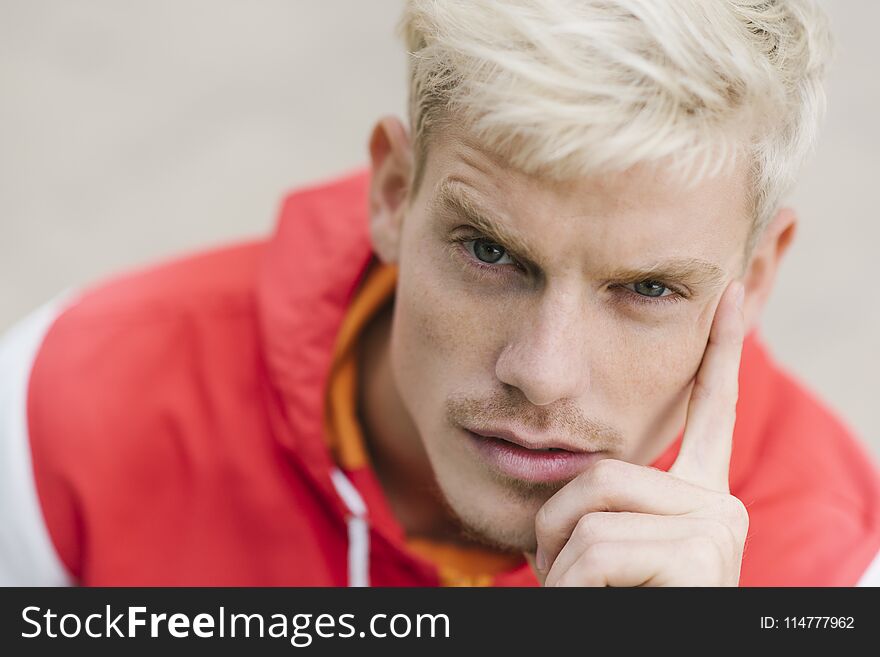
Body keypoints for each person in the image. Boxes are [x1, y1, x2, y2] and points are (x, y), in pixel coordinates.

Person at [1, 0, 878, 587]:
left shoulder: (838, 560)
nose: (543, 373)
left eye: (646, 287)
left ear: (755, 275)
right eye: (491, 251)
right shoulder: (63, 414)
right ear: (392, 193)